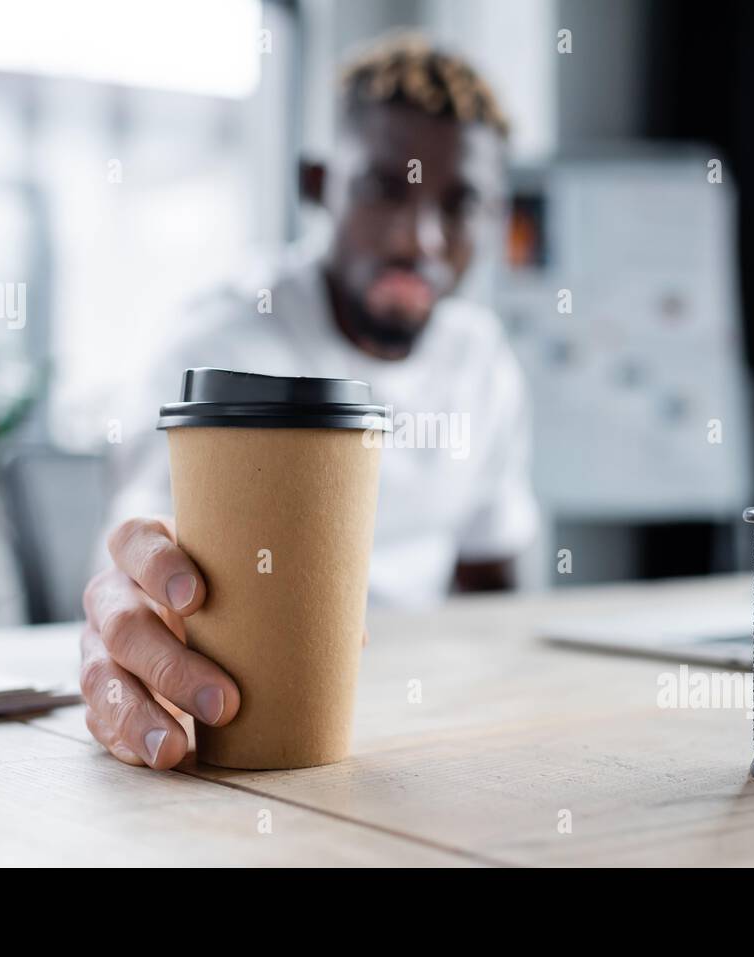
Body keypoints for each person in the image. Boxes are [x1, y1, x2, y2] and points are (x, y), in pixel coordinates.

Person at [80, 35, 539, 770]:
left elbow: (494, 582)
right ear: (320, 182)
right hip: (252, 719)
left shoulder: (481, 360)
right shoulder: (221, 340)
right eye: (385, 187)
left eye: (460, 205)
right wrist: (127, 613)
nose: (418, 238)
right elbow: (139, 558)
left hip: (419, 728)